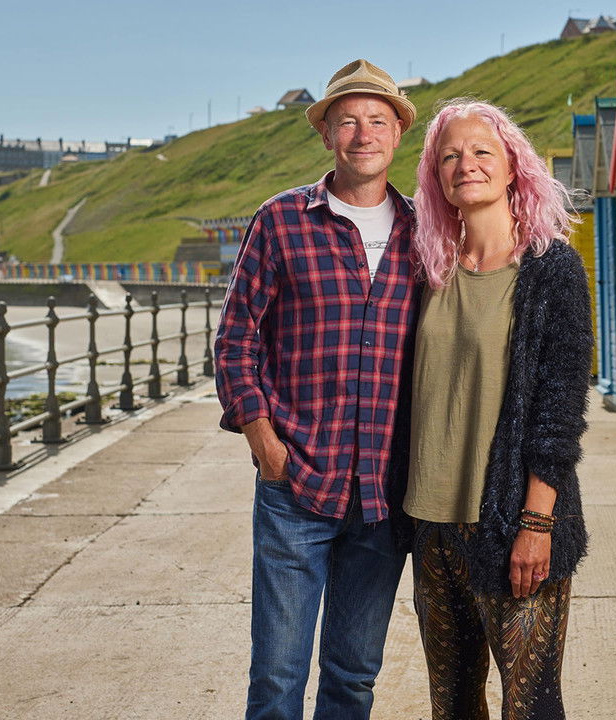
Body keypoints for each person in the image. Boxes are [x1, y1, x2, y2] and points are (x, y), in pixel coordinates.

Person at [214, 59, 419, 720]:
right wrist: (263, 440)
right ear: (327, 134)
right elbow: (236, 338)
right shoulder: (280, 221)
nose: (364, 133)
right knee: (276, 675)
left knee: (353, 676)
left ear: (397, 134)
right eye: (348, 121)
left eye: (378, 121)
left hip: (386, 496)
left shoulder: (426, 233)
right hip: (295, 485)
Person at [404, 99, 593, 720]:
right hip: (430, 526)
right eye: (450, 155)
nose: (466, 164)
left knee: (530, 706)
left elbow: (559, 411)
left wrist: (537, 525)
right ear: (436, 177)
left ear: (514, 166)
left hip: (513, 523)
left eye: (482, 151)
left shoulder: (552, 268)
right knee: (451, 704)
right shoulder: (426, 269)